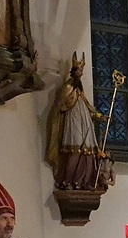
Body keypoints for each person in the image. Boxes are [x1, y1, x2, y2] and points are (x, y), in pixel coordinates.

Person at [45, 52, 111, 190]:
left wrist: (100, 116)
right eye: (79, 70)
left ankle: (84, 181)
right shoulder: (68, 87)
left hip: (84, 123)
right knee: (74, 149)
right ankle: (68, 180)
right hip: (72, 122)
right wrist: (67, 105)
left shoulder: (80, 89)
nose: (81, 73)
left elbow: (87, 107)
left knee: (88, 151)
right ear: (74, 71)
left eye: (82, 70)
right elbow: (60, 106)